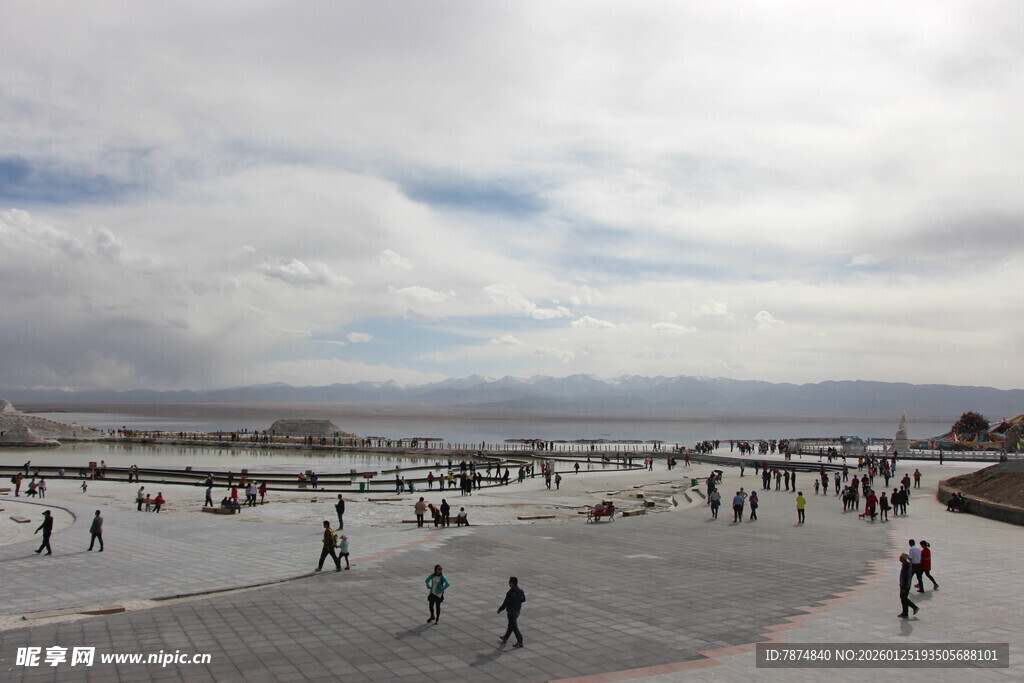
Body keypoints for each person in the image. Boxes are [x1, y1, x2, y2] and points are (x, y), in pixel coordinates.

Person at [497, 576, 526, 647]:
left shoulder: (510, 593)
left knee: (514, 627)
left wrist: (500, 609)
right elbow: (523, 599)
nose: (508, 583)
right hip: (517, 611)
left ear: (512, 583)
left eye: (509, 582)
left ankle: (520, 641)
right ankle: (505, 637)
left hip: (511, 612)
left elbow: (505, 602)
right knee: (511, 625)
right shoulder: (520, 591)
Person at [898, 553, 919, 618]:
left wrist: (903, 586)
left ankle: (914, 607)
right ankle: (905, 612)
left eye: (900, 557)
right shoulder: (906, 565)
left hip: (905, 585)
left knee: (903, 598)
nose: (899, 559)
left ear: (903, 559)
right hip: (905, 584)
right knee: (903, 598)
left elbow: (905, 577)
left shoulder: (906, 566)